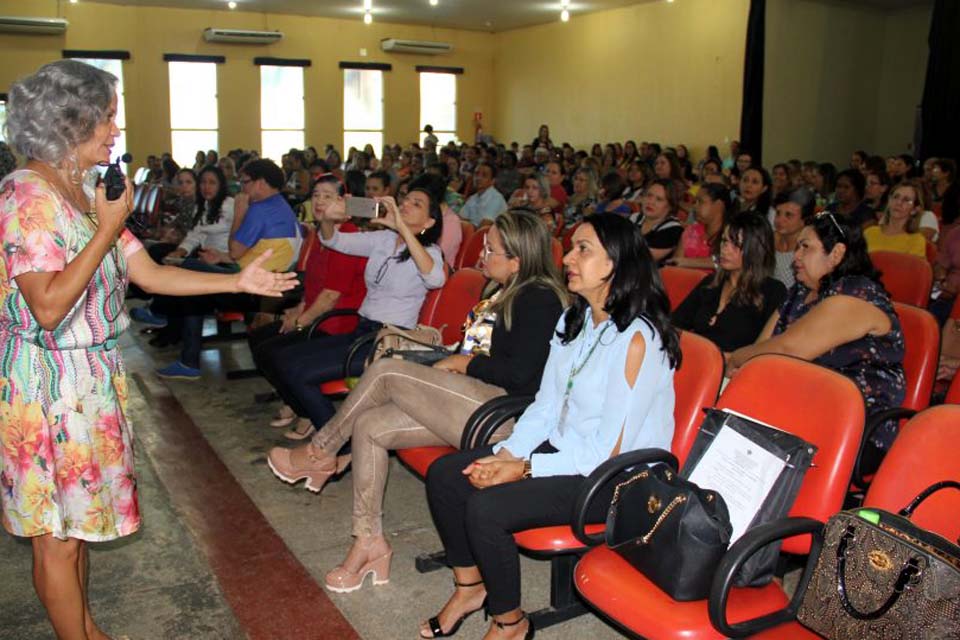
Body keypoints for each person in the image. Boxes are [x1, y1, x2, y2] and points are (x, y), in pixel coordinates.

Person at [0, 60, 295, 640]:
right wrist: (108, 228)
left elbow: (152, 275)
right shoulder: (26, 195)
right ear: (69, 121)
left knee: (75, 527)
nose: (115, 130)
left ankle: (86, 628)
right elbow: (49, 305)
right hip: (47, 386)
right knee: (55, 538)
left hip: (87, 376)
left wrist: (238, 282)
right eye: (108, 118)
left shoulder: (81, 189)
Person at [267, 211, 567, 595]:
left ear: (517, 261)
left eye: (491, 250)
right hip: (471, 399)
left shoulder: (539, 299)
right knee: (370, 426)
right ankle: (368, 541)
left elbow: (524, 376)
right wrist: (457, 362)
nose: (481, 256)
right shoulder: (501, 290)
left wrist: (464, 362)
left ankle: (319, 452)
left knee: (388, 371)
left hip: (504, 416)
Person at [420, 214, 681, 640]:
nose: (568, 259)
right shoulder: (574, 321)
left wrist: (521, 470)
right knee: (448, 476)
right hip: (565, 454)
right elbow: (544, 406)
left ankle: (510, 624)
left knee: (486, 508)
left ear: (616, 262)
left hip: (614, 481)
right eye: (572, 247)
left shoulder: (638, 339)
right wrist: (508, 455)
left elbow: (607, 454)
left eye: (584, 250)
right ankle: (470, 588)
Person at [265, 175, 446, 439]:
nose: (405, 205)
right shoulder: (383, 239)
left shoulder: (431, 252)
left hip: (386, 342)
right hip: (361, 330)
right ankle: (324, 424)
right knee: (283, 358)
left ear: (429, 222)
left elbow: (435, 278)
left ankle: (336, 441)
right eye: (404, 200)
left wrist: (402, 229)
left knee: (300, 373)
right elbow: (334, 241)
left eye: (416, 204)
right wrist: (328, 217)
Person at [727, 212, 905, 471]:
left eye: (805, 247)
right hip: (793, 406)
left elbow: (786, 349)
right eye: (797, 246)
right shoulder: (799, 293)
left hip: (850, 425)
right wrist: (741, 364)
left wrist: (732, 359)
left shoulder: (857, 295)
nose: (796, 256)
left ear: (836, 253)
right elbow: (761, 346)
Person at [154, 159, 302, 378]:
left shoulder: (260, 209)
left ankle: (188, 358)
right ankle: (183, 350)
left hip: (258, 288)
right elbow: (255, 252)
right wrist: (220, 256)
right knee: (193, 274)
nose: (242, 188)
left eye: (245, 183)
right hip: (262, 277)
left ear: (260, 183)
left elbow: (235, 251)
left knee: (190, 272)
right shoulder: (278, 205)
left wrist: (240, 212)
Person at [251, 174, 369, 429]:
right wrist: (298, 308)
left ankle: (307, 412)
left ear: (343, 203)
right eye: (316, 195)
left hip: (338, 322)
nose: (319, 201)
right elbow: (315, 286)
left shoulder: (348, 236)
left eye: (328, 196)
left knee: (274, 350)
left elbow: (330, 296)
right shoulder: (320, 234)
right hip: (320, 315)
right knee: (259, 339)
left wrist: (301, 321)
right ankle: (293, 401)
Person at [673, 213, 786, 352]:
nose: (725, 249)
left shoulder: (773, 291)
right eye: (724, 241)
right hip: (696, 359)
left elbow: (765, 350)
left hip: (737, 369)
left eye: (736, 245)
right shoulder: (711, 283)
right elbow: (675, 324)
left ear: (756, 249)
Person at [669, 182, 730, 269]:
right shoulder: (691, 230)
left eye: (700, 202)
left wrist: (686, 262)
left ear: (719, 205)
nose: (695, 206)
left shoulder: (732, 233)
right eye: (695, 202)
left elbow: (728, 260)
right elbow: (675, 264)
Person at [863, 180, 927, 259]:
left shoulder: (916, 240)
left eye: (906, 200)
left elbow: (912, 270)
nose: (898, 202)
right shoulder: (869, 232)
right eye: (896, 197)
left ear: (914, 210)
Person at [772, 187, 816, 289]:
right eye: (778, 213)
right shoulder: (768, 240)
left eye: (789, 215)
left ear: (805, 219)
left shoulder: (808, 249)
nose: (779, 220)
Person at [635, 179, 684, 264]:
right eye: (649, 195)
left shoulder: (673, 229)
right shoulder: (634, 217)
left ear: (670, 206)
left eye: (659, 199)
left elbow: (645, 258)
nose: (651, 202)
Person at [461, 162, 508, 227]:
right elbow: (461, 220)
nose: (478, 178)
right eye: (476, 174)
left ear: (493, 181)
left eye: (484, 175)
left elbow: (484, 227)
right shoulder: (473, 198)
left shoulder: (496, 199)